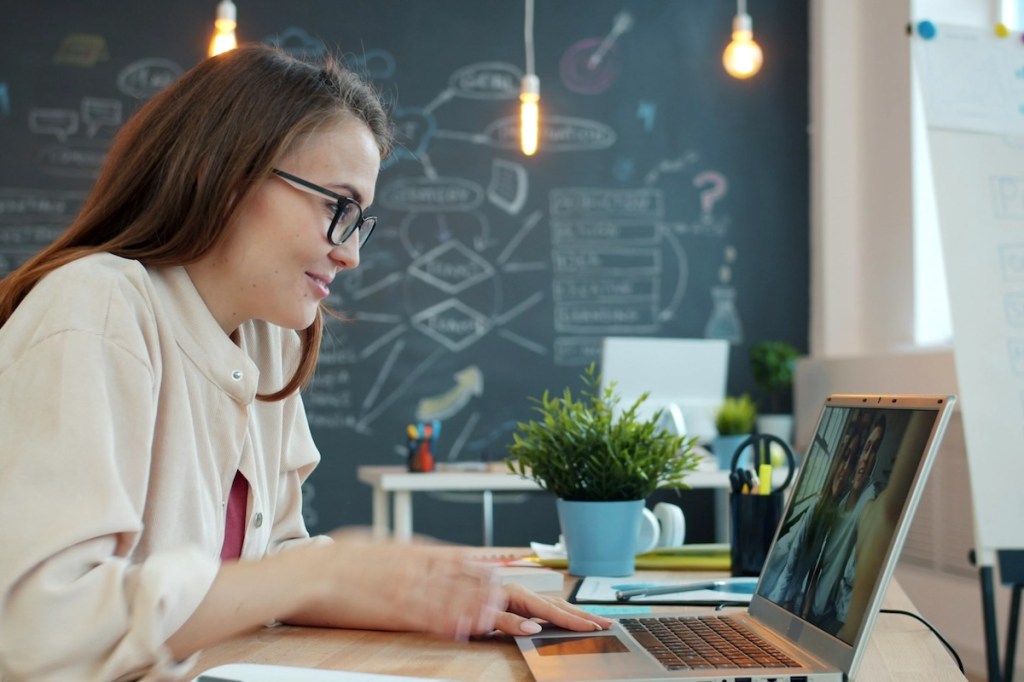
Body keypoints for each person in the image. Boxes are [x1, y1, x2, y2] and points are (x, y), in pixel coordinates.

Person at [0, 44, 610, 681]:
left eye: (360, 221)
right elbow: (36, 629)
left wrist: (442, 595)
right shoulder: (96, 305)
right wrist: (317, 571)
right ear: (225, 172)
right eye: (336, 208)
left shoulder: (267, 339)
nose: (350, 256)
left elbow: (276, 562)